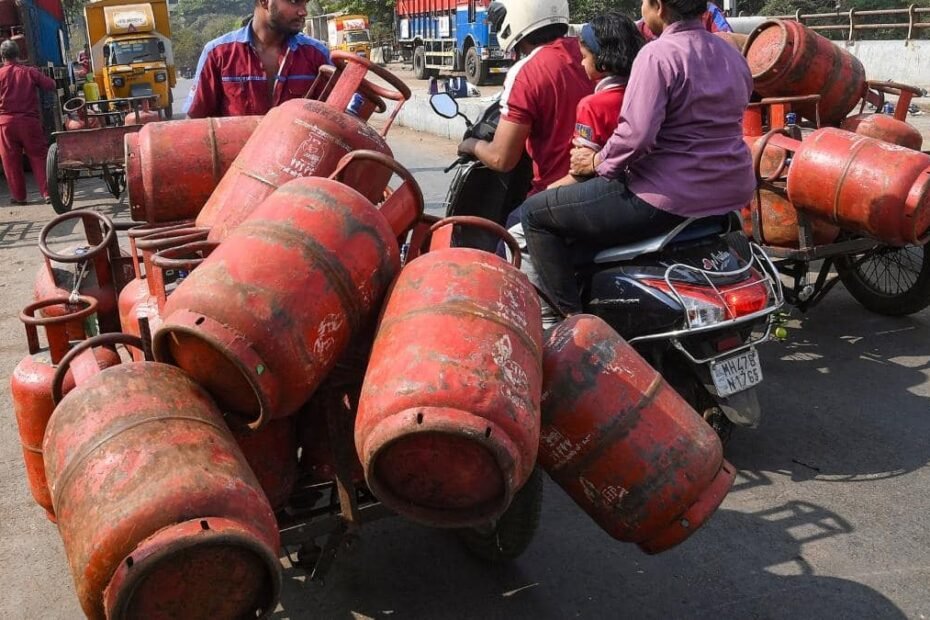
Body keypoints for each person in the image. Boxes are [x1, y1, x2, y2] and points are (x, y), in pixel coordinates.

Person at [520, 0, 755, 319]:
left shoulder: (658, 54)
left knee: (535, 214)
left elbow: (636, 136)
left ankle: (568, 327)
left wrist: (596, 163)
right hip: (730, 192)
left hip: (666, 198)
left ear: (658, 6)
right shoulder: (729, 53)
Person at [456, 0, 593, 200]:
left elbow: (501, 158)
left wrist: (470, 144)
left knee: (511, 227)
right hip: (602, 187)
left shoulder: (527, 71)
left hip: (556, 194)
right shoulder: (589, 52)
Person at [184, 0, 329, 118]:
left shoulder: (317, 55)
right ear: (265, 2)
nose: (303, 11)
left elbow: (340, 118)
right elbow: (194, 122)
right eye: (294, 2)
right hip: (238, 153)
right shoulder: (217, 54)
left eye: (305, 3)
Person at [548, 12, 645, 190]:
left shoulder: (592, 105)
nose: (582, 63)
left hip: (608, 188)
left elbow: (581, 171)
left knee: (530, 209)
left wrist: (548, 191)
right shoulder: (645, 92)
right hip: (645, 180)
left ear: (603, 60)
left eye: (584, 56)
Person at [0, 40, 56, 205]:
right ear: (19, 54)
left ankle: (19, 197)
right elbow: (50, 85)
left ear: (2, 56)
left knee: (10, 160)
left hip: (5, 124)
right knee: (38, 156)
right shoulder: (29, 72)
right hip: (29, 122)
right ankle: (47, 193)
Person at [637, 1, 732, 41]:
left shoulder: (710, 13)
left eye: (643, 2)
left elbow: (729, 41)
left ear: (658, 5)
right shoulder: (639, 30)